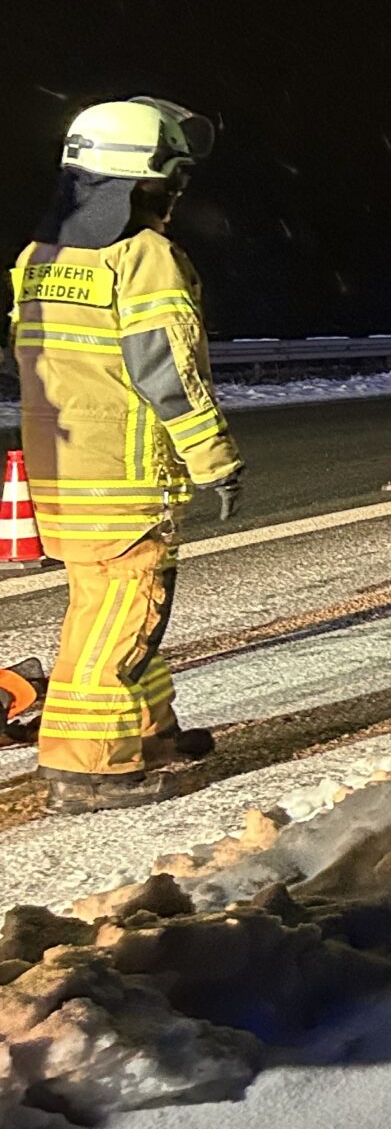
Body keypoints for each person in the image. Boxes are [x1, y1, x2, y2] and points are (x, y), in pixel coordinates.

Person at [9, 98, 237, 812]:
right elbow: (169, 373)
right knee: (123, 619)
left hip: (61, 473)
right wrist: (215, 459)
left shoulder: (38, 258)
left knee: (106, 609)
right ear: (146, 183)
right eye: (169, 182)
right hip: (126, 474)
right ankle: (90, 767)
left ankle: (148, 733)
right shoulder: (145, 257)